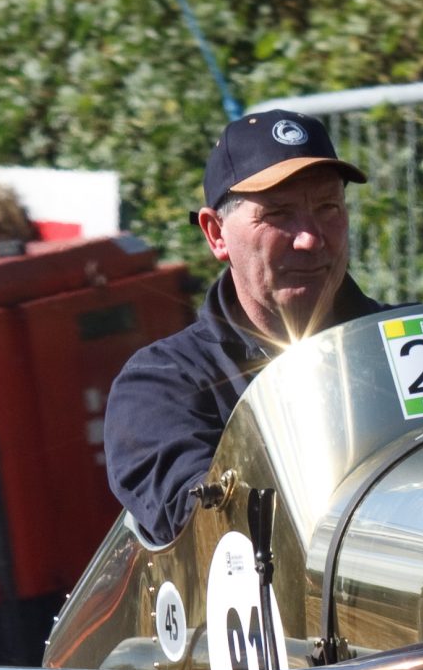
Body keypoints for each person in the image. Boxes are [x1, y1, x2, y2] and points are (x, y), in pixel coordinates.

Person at [103, 110, 388, 543]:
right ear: (216, 233)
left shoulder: (406, 343)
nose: (310, 238)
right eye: (278, 214)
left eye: (328, 208)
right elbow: (215, 536)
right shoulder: (162, 385)